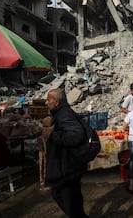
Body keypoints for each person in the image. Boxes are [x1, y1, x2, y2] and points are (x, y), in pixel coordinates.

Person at [43, 89, 88, 218]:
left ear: (56, 102)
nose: (46, 102)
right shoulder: (61, 114)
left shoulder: (64, 114)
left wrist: (53, 134)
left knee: (68, 201)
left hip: (67, 168)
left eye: (48, 99)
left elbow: (76, 135)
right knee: (70, 200)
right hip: (67, 166)